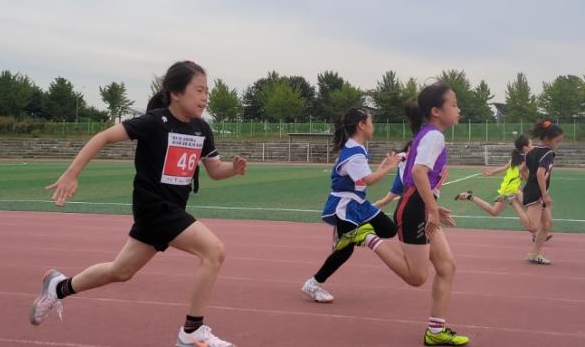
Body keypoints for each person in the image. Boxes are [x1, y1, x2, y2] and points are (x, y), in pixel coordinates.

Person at [29, 61, 247, 347]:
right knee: (214, 251)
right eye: (199, 90)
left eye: (207, 91)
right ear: (175, 93)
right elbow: (104, 136)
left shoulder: (202, 129)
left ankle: (58, 287)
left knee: (120, 271)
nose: (205, 97)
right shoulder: (154, 122)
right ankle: (192, 332)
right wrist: (71, 174)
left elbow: (215, 170)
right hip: (154, 208)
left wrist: (233, 169)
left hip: (172, 210)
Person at [334, 83, 470, 346]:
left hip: (420, 207)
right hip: (414, 210)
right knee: (417, 277)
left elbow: (419, 177)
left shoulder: (429, 134)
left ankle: (436, 332)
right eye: (453, 104)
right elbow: (418, 173)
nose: (458, 109)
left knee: (446, 267)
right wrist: (431, 209)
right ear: (436, 111)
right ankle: (366, 236)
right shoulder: (434, 136)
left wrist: (433, 206)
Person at [301, 107, 399, 303]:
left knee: (389, 229)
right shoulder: (354, 153)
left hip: (359, 204)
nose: (373, 127)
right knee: (345, 251)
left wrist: (383, 166)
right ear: (361, 125)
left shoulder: (356, 148)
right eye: (371, 123)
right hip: (345, 206)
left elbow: (363, 178)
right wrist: (389, 167)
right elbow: (368, 180)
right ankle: (313, 284)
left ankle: (350, 234)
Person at [454, 135, 534, 232]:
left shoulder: (516, 157)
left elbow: (505, 168)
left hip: (507, 188)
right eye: (531, 144)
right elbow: (522, 175)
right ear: (525, 147)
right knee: (532, 209)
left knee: (494, 211)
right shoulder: (525, 159)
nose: (533, 146)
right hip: (512, 190)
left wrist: (492, 172)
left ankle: (469, 196)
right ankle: (537, 232)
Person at [522, 119, 563, 265]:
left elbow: (522, 171)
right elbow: (540, 173)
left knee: (546, 224)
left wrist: (530, 182)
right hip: (537, 194)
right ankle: (513, 201)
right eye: (557, 141)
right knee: (533, 226)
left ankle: (534, 254)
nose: (558, 144)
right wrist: (545, 195)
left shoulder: (531, 151)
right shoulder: (549, 153)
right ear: (546, 139)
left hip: (534, 190)